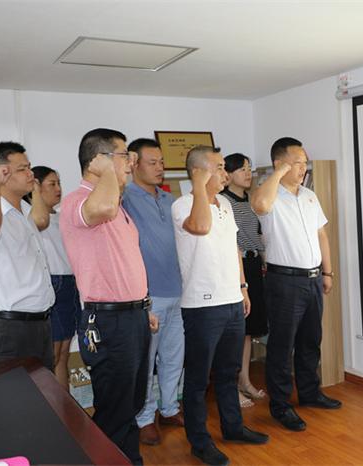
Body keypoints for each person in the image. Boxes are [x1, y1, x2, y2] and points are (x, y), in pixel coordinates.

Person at [59, 128, 158, 465]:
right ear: (97, 161)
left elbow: (125, 264)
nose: (131, 162)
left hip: (133, 315)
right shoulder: (79, 201)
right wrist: (106, 172)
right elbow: (100, 208)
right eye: (124, 155)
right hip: (108, 319)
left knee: (131, 403)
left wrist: (144, 307)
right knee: (116, 408)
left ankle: (129, 460)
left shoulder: (117, 203)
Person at [172, 145, 269, 466]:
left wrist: (243, 288)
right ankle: (199, 442)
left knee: (229, 372)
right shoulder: (182, 205)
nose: (225, 173)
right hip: (202, 306)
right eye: (218, 167)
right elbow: (200, 227)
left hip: (232, 300)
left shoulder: (226, 203)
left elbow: (234, 249)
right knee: (199, 379)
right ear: (198, 172)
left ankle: (233, 428)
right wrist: (200, 187)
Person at [250, 137, 341, 432]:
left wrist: (328, 273)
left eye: (305, 163)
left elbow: (321, 235)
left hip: (313, 279)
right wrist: (277, 173)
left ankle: (310, 393)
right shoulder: (269, 194)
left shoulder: (309, 196)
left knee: (310, 340)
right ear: (280, 164)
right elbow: (259, 205)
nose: (303, 168)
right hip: (284, 282)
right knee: (282, 345)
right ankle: (280, 406)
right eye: (297, 163)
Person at [122, 138, 185, 445]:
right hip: (148, 296)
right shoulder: (124, 198)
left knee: (174, 357)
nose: (160, 168)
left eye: (162, 162)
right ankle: (144, 418)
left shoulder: (170, 199)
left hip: (178, 290)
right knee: (146, 362)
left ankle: (169, 408)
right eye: (152, 162)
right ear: (134, 164)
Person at [0, 142, 54, 368]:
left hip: (39, 323)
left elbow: (43, 220)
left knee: (43, 390)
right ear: (1, 173)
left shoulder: (27, 212)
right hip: (6, 327)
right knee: (8, 391)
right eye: (22, 169)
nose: (30, 174)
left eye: (29, 167)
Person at [221, 153, 268, 409]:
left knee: (248, 330)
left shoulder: (251, 200)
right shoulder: (223, 202)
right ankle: (231, 387)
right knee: (234, 331)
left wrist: (264, 260)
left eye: (249, 168)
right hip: (233, 269)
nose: (248, 173)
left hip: (253, 265)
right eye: (242, 169)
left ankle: (245, 381)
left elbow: (258, 235)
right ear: (227, 174)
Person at [29, 166, 81, 388]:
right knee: (53, 353)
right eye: (52, 184)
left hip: (70, 284)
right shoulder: (31, 217)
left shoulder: (62, 217)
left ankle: (64, 404)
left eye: (59, 183)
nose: (58, 188)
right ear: (36, 187)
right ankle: (52, 405)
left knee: (64, 353)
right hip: (52, 284)